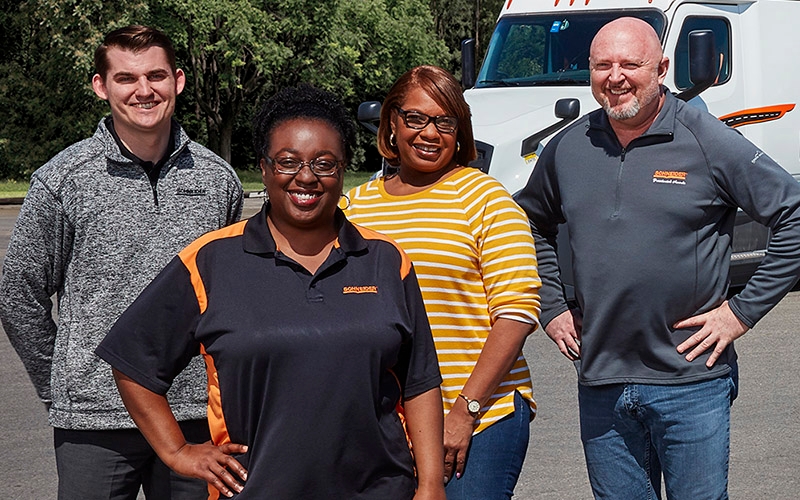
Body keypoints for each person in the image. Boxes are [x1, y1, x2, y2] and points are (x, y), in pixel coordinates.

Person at [95, 84, 447, 500]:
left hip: (381, 490)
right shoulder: (211, 261)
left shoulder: (386, 260)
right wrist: (177, 451)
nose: (306, 177)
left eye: (324, 163)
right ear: (264, 169)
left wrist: (429, 485)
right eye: (287, 162)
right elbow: (132, 361)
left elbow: (420, 381)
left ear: (343, 170)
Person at [515, 17, 800, 500]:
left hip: (690, 382)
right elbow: (527, 223)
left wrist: (740, 313)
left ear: (663, 68)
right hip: (601, 378)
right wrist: (551, 304)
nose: (616, 76)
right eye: (603, 65)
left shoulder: (707, 139)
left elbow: (793, 213)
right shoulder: (568, 146)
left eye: (631, 63)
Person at [0, 25, 243, 499]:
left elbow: (239, 295)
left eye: (156, 76)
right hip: (96, 418)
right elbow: (18, 291)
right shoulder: (63, 180)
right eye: (126, 79)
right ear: (100, 85)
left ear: (179, 81)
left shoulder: (219, 180)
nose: (144, 91)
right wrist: (64, 383)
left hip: (195, 414)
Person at [344, 65, 541, 500]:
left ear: (460, 129)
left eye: (444, 121)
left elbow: (517, 313)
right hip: (384, 423)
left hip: (476, 416)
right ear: (392, 123)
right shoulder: (354, 207)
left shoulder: (487, 199)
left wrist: (464, 411)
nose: (429, 133)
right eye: (415, 118)